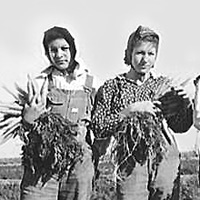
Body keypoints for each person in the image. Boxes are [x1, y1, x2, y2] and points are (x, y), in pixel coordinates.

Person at [91, 25, 193, 200]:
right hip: (131, 157)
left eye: (151, 54)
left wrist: (184, 104)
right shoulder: (112, 87)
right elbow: (99, 127)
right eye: (140, 53)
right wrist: (129, 111)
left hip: (164, 155)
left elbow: (180, 126)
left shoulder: (164, 85)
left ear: (156, 57)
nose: (145, 59)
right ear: (129, 52)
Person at [19, 26, 97, 200]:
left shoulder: (91, 83)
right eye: (53, 50)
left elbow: (99, 128)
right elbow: (24, 130)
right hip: (43, 159)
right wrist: (28, 120)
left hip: (78, 162)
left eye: (64, 48)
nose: (59, 55)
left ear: (73, 49)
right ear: (47, 54)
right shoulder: (40, 83)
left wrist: (93, 157)